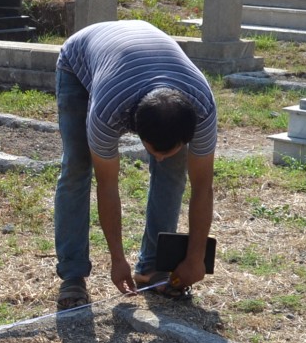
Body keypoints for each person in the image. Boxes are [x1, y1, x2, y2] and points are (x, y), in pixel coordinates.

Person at [53, 18, 218, 310]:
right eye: (153, 151)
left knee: (174, 170)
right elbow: (107, 186)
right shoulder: (107, 112)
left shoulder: (202, 108)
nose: (158, 158)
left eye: (169, 149)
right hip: (80, 60)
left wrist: (195, 258)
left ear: (188, 134)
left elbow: (203, 188)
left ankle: (151, 267)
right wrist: (117, 260)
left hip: (147, 67)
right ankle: (73, 273)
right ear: (135, 129)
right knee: (78, 166)